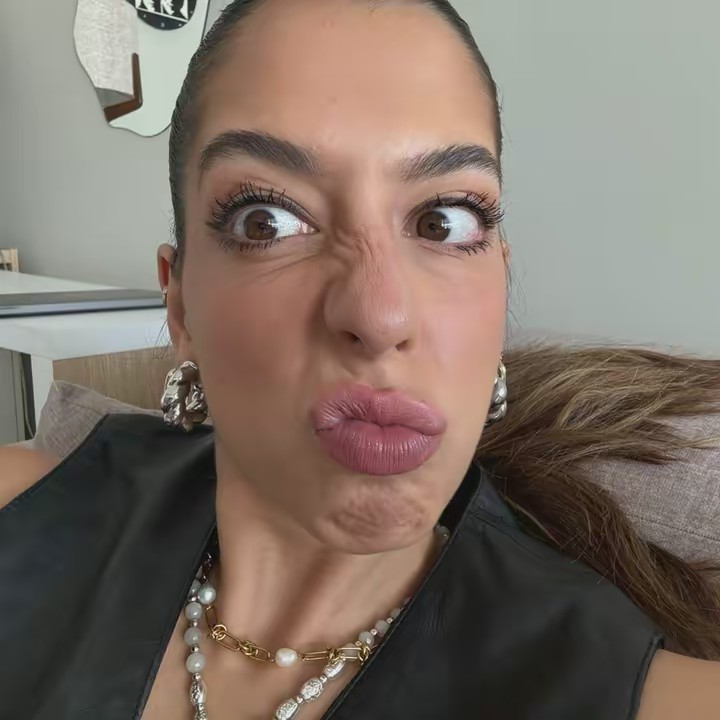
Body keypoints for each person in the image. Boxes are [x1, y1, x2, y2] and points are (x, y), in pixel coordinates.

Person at [1, 1, 719, 718]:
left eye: (443, 221)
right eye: (266, 220)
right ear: (181, 304)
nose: (379, 316)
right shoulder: (24, 510)